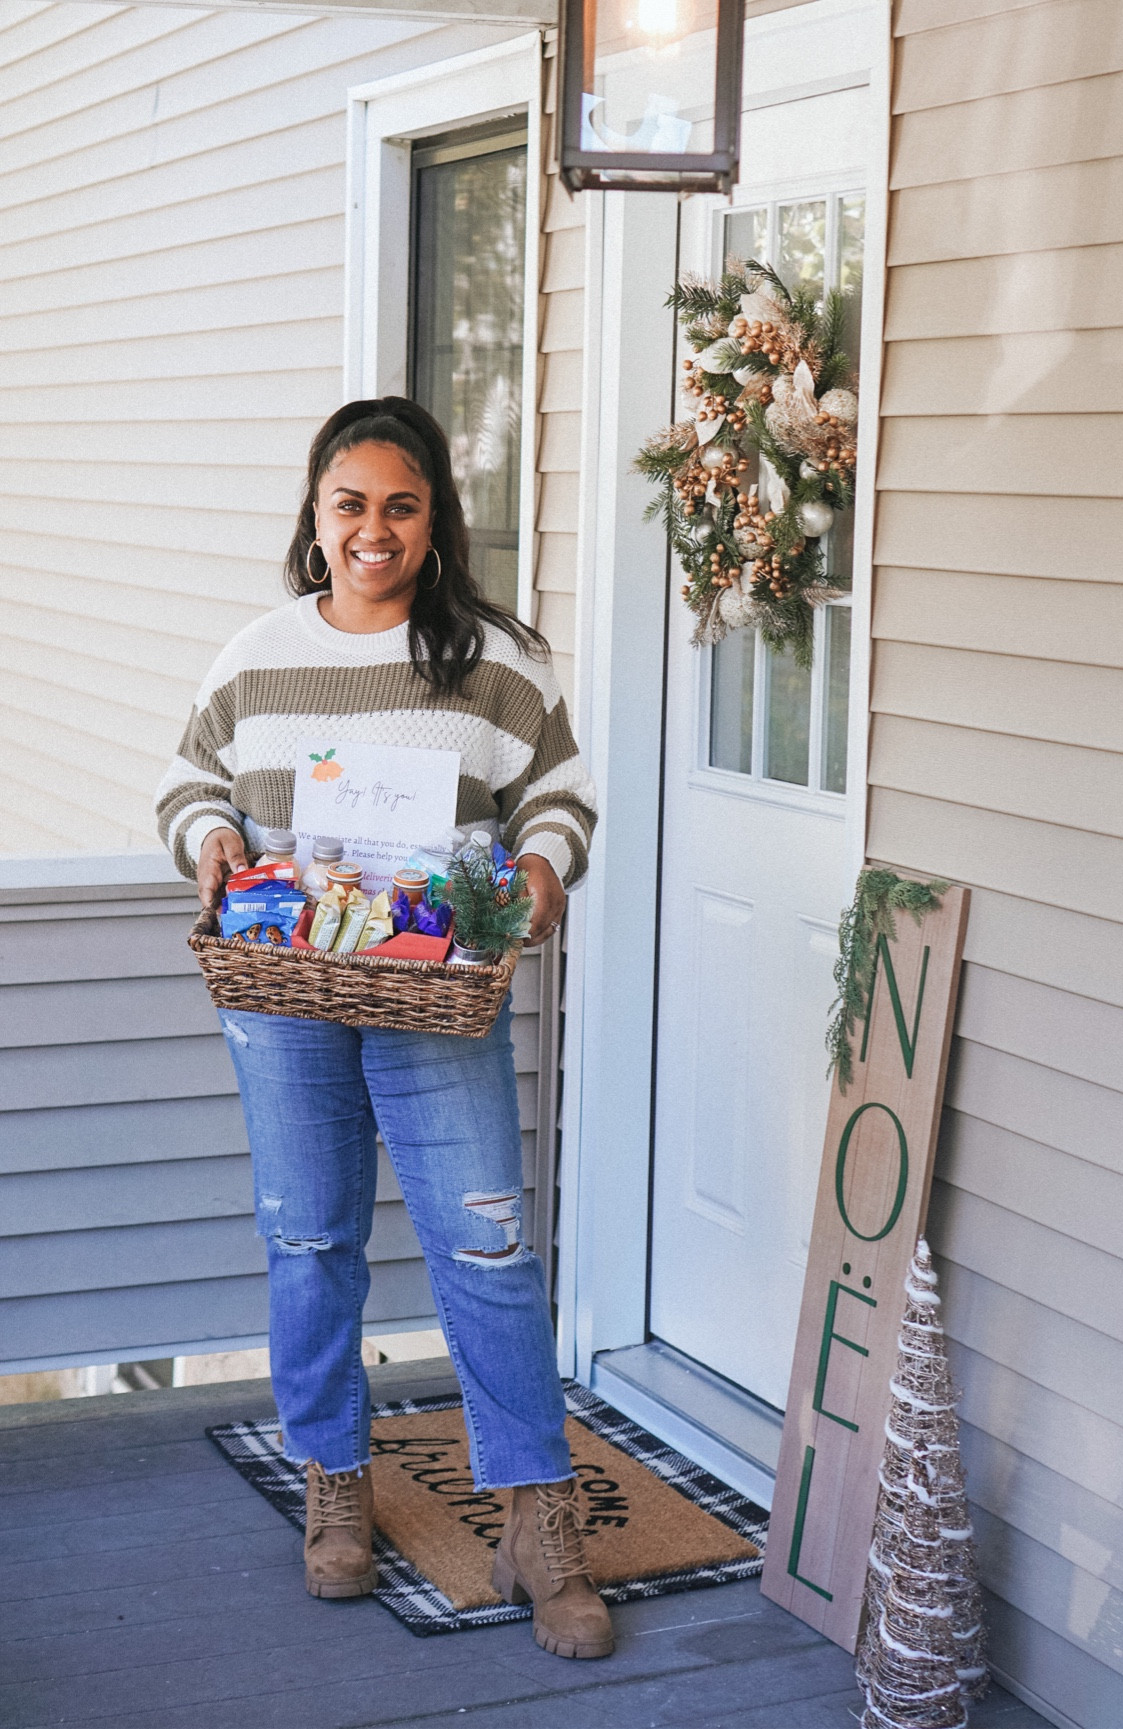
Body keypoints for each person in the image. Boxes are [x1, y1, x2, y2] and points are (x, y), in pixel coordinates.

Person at [155, 398, 609, 1660]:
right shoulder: (253, 656)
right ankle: (334, 1477)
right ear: (315, 515)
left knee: (490, 1248)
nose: (374, 529)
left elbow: (558, 798)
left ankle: (534, 1512)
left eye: (400, 505)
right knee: (309, 1238)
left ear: (434, 521)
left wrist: (537, 874)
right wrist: (215, 839)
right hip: (283, 991)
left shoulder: (496, 663)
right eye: (350, 503)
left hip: (434, 989)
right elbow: (188, 781)